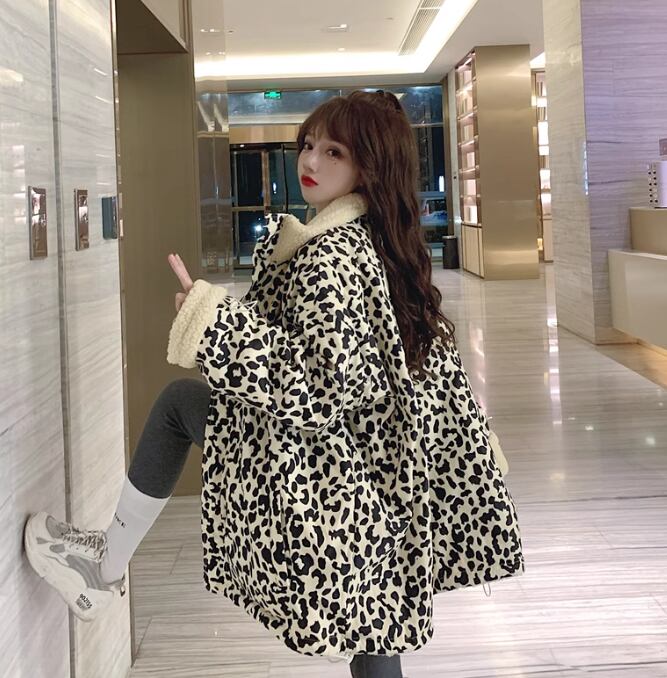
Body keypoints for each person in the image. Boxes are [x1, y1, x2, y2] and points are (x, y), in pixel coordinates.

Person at [24, 90, 524, 678]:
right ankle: (103, 567)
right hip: (375, 471)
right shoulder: (380, 240)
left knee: (181, 403)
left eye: (334, 152)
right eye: (308, 145)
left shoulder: (329, 256)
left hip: (322, 472)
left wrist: (215, 324)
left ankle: (103, 567)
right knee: (375, 625)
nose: (310, 161)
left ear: (369, 166)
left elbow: (319, 385)